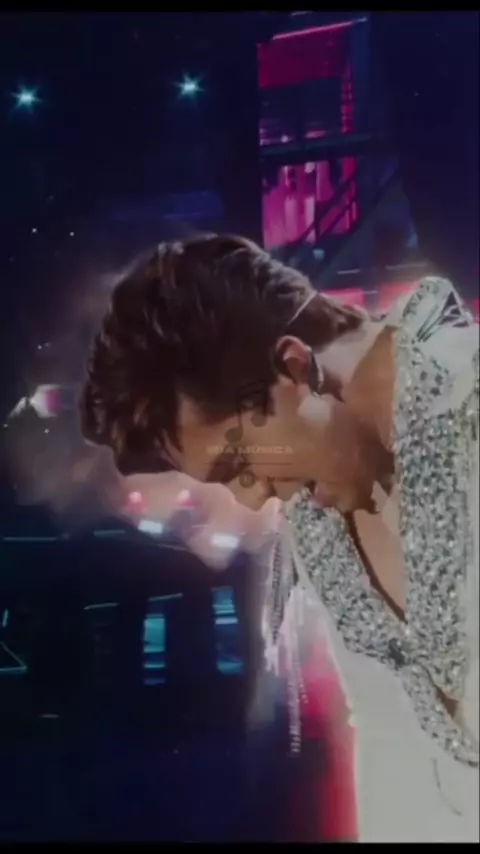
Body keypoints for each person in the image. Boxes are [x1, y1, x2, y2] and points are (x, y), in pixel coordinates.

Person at [80, 234, 479, 842]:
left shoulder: (466, 398)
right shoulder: (316, 521)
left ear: (294, 367)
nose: (251, 498)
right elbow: (392, 739)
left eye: (240, 461)